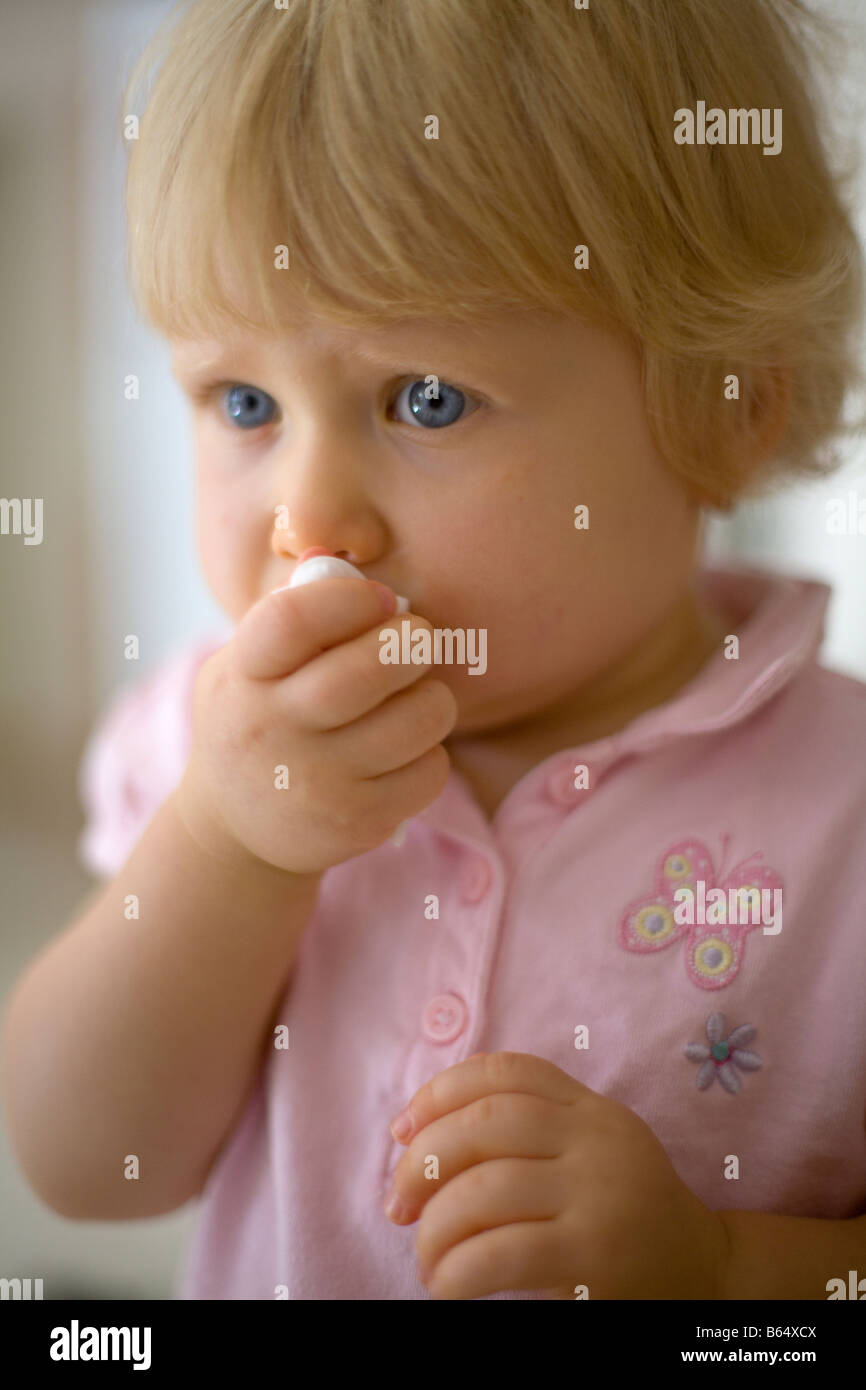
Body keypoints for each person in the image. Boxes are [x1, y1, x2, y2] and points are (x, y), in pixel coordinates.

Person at [3, 0, 866, 1300]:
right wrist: (227, 844)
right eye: (244, 402)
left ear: (729, 403)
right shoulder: (206, 742)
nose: (307, 518)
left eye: (425, 399)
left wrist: (721, 1264)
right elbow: (86, 1162)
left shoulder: (842, 813)